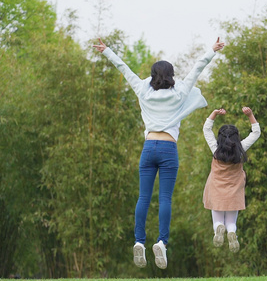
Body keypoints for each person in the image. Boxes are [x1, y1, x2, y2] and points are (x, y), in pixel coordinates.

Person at [93, 37, 225, 269]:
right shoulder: (180, 92)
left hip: (148, 148)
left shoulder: (143, 90)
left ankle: (139, 241)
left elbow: (124, 68)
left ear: (153, 75)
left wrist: (107, 51)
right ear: (171, 75)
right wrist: (211, 51)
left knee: (143, 197)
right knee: (164, 198)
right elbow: (197, 69)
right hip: (168, 149)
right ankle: (162, 242)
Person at [202, 107, 261, 253]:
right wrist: (250, 115)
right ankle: (231, 232)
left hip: (216, 189)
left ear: (220, 137)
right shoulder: (241, 149)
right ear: (236, 137)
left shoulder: (215, 149)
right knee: (231, 221)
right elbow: (256, 133)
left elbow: (206, 129)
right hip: (234, 190)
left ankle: (218, 229)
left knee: (217, 220)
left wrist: (214, 113)